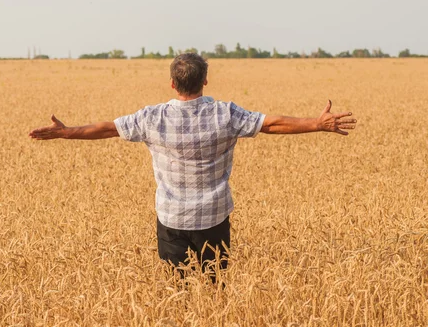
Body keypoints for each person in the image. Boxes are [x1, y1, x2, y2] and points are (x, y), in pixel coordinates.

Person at [29, 53, 356, 279]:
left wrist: (65, 132)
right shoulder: (225, 114)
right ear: (205, 81)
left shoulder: (152, 117)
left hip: (172, 220)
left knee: (180, 292)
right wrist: (317, 123)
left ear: (172, 83)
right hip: (214, 218)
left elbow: (106, 129)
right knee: (215, 291)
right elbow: (271, 124)